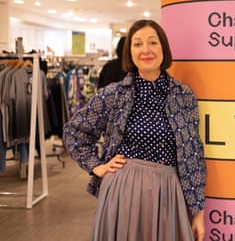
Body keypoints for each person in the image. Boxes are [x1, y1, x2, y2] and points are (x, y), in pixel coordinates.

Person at [63, 19, 206, 241]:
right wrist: (97, 167)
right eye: (137, 44)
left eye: (152, 42)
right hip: (123, 192)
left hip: (168, 193)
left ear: (163, 49)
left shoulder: (183, 95)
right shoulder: (113, 94)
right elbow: (74, 132)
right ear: (130, 52)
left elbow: (194, 155)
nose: (145, 50)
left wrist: (198, 213)